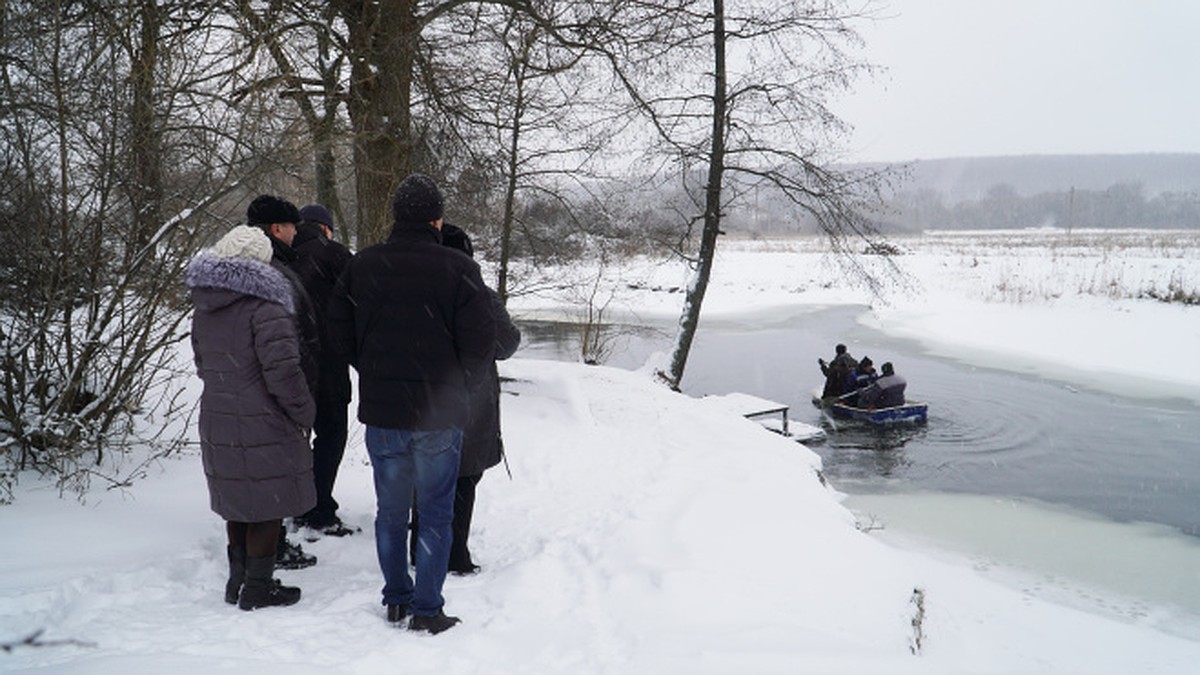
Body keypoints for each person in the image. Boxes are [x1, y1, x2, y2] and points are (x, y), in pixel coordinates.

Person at [327, 174, 496, 635]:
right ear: (436, 219)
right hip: (438, 415)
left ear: (397, 217)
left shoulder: (363, 266)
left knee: (391, 511)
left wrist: (374, 369)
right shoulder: (457, 269)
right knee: (437, 513)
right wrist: (454, 384)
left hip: (385, 411)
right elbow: (482, 344)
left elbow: (338, 335)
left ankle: (397, 599)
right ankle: (426, 608)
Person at [185, 225, 316, 610]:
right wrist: (304, 411)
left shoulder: (205, 307)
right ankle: (258, 588)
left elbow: (202, 363)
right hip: (264, 417)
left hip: (218, 415)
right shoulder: (267, 308)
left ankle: (238, 580)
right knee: (268, 503)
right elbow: (284, 373)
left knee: (239, 499)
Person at [410, 223, 520, 576]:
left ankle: (419, 548)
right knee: (463, 476)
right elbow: (506, 344)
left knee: (427, 474)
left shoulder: (416, 291)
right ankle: (455, 555)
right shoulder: (480, 295)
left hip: (423, 398)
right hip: (469, 402)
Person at [246, 194, 320, 569]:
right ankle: (270, 552)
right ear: (277, 228)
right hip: (276, 394)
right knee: (274, 477)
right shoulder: (275, 274)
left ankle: (251, 556)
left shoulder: (242, 268)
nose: (296, 234)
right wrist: (302, 401)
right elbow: (286, 345)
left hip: (246, 393)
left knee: (252, 475)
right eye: (293, 227)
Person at [290, 204, 356, 537]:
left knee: (294, 439)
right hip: (329, 364)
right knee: (331, 436)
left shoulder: (283, 256)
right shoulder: (335, 254)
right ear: (326, 228)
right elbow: (359, 303)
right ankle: (318, 508)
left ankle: (294, 502)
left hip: (288, 364)